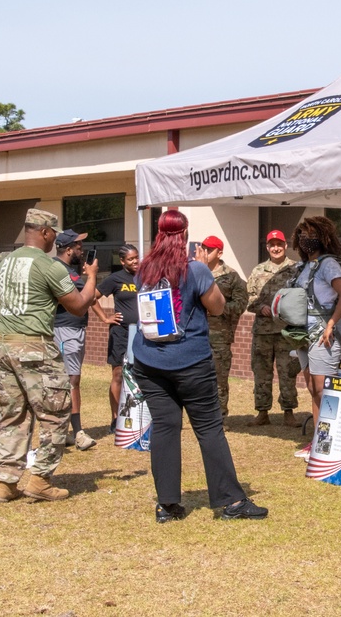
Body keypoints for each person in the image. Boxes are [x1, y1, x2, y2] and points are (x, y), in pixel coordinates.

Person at [132, 210, 268, 522]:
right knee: (208, 429)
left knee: (165, 429)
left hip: (150, 360)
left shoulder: (144, 269)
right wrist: (203, 270)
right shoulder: (195, 269)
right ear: (184, 235)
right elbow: (218, 306)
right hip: (190, 360)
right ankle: (231, 502)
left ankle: (168, 505)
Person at [0, 209, 98, 503]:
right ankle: (40, 480)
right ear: (46, 233)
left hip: (3, 346)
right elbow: (78, 306)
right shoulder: (49, 266)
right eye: (53, 234)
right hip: (35, 347)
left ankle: (6, 483)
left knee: (13, 415)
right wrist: (92, 277)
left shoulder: (4, 262)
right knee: (56, 413)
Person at [289, 216, 341, 461]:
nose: (305, 238)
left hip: (324, 333)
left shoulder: (328, 265)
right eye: (302, 234)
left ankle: (331, 441)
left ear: (323, 237)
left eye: (310, 233)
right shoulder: (303, 266)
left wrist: (332, 324)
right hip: (304, 334)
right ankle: (318, 441)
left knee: (325, 390)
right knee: (314, 388)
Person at [245, 229, 301, 427]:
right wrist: (260, 307)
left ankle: (289, 412)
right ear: (267, 247)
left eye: (279, 244)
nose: (276, 248)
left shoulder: (296, 269)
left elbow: (302, 296)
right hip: (263, 331)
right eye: (272, 245)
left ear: (285, 246)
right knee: (261, 372)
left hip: (287, 331)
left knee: (287, 372)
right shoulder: (258, 271)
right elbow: (248, 298)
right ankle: (262, 412)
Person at [53, 228, 96, 451]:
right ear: (68, 249)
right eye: (78, 245)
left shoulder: (71, 270)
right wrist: (93, 276)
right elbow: (89, 296)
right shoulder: (61, 271)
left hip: (74, 330)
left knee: (72, 381)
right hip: (64, 330)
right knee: (69, 381)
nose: (82, 249)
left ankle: (66, 431)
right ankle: (76, 433)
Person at [195, 235, 247, 418]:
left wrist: (217, 308)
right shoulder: (193, 271)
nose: (206, 252)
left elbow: (241, 304)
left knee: (219, 379)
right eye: (204, 249)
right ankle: (200, 416)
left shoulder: (231, 276)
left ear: (220, 252)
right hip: (195, 334)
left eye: (210, 250)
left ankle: (219, 417)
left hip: (219, 337)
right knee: (195, 378)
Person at [91, 244, 139, 433]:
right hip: (120, 333)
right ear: (122, 261)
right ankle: (116, 418)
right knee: (118, 374)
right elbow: (92, 297)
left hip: (140, 333)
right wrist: (105, 318)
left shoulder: (144, 277)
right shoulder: (115, 279)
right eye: (130, 259)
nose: (135, 261)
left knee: (139, 375)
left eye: (136, 257)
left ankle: (135, 416)